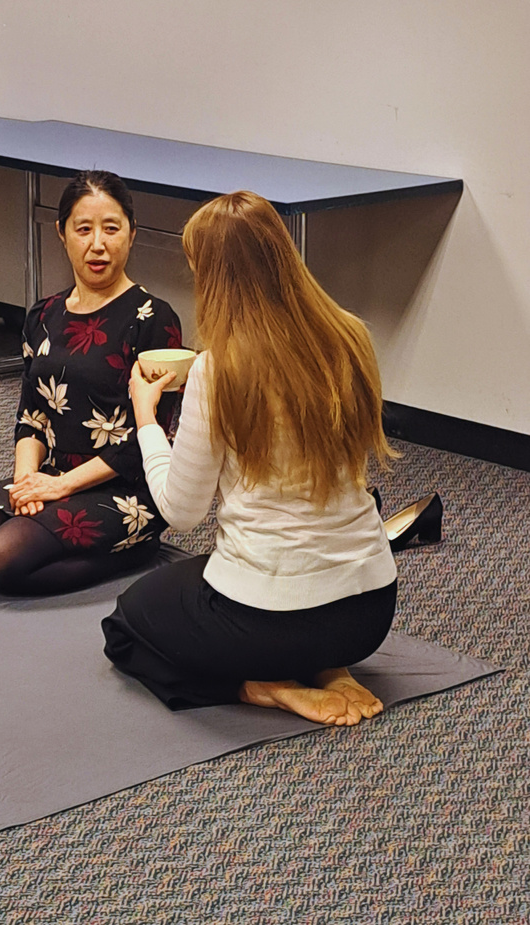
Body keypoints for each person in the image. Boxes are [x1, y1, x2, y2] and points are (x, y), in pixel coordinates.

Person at [102, 190, 398, 726]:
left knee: (126, 625)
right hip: (369, 610)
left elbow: (180, 511)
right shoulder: (350, 339)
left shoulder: (220, 372)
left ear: (214, 278)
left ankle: (263, 686)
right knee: (219, 583)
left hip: (267, 620)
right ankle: (328, 668)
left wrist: (146, 417)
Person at [0, 170, 182, 595]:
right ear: (62, 234)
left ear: (132, 234)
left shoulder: (155, 319)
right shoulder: (42, 316)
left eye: (111, 229)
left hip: (127, 488)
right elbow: (31, 417)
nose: (97, 244)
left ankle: (136, 549)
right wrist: (28, 483)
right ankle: (55, 532)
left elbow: (151, 436)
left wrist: (60, 487)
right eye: (83, 229)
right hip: (51, 475)